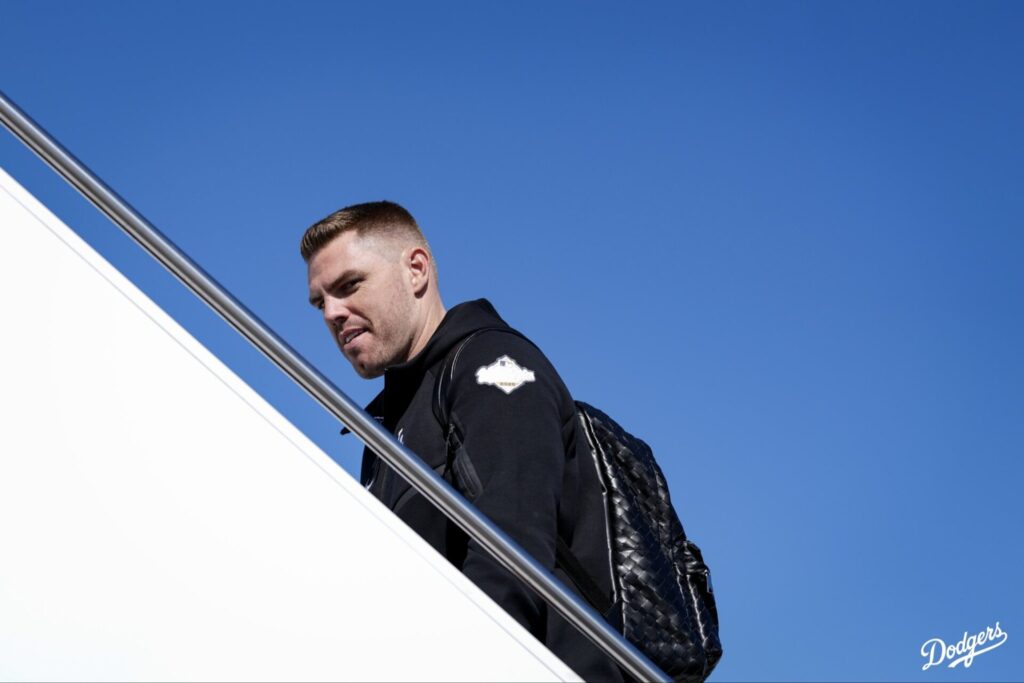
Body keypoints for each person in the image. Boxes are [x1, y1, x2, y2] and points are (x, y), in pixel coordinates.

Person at [302, 201, 625, 681]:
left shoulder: (492, 366)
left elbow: (513, 549)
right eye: (320, 302)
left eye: (349, 286)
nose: (332, 313)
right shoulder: (389, 429)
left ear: (416, 270)